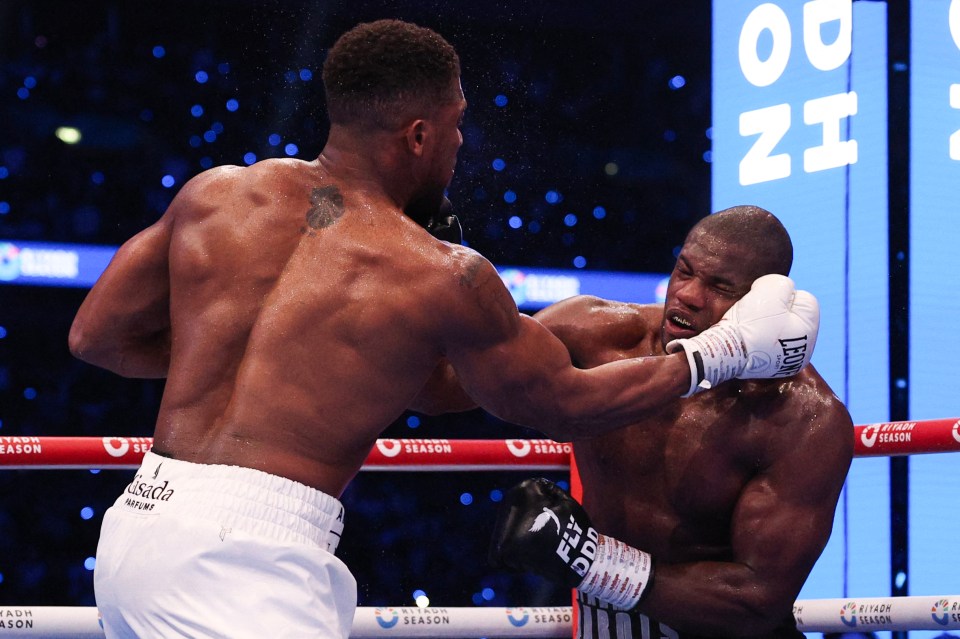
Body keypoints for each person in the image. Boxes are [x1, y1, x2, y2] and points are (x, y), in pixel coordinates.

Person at [68, 17, 819, 639]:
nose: (463, 146)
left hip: (139, 525)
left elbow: (95, 337)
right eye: (458, 126)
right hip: (246, 561)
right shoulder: (438, 271)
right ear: (421, 135)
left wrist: (278, 361)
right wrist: (715, 354)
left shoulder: (215, 195)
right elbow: (561, 402)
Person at [490, 206, 853, 639]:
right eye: (685, 271)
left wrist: (592, 561)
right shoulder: (597, 334)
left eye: (719, 287)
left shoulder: (801, 418)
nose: (688, 295)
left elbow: (757, 600)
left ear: (758, 304)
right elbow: (458, 378)